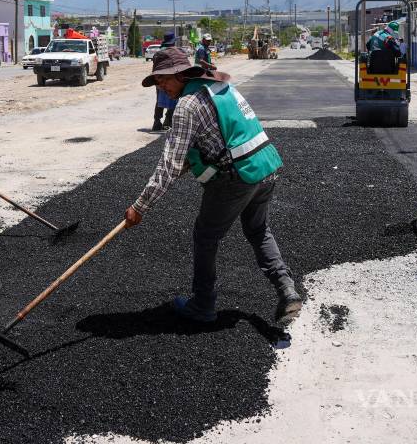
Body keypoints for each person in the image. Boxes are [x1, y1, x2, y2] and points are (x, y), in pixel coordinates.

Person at [124, 49, 302, 325]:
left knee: (206, 236)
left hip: (237, 176)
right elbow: (217, 137)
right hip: (266, 165)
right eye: (157, 83)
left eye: (162, 80)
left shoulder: (186, 106)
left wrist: (140, 206)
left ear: (180, 75)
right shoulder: (217, 86)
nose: (160, 87)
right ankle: (287, 289)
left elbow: (170, 164)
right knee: (258, 229)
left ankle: (203, 305)